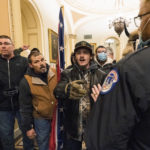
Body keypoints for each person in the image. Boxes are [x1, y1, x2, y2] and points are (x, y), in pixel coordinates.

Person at [86, 0, 150, 149]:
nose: (140, 26)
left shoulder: (129, 67)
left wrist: (107, 105)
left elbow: (106, 139)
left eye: (140, 18)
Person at [54, 41, 105, 150]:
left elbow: (110, 100)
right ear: (75, 56)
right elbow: (57, 91)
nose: (82, 55)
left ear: (91, 56)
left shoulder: (101, 75)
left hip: (94, 125)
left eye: (85, 53)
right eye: (79, 53)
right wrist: (67, 89)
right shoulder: (67, 73)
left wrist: (102, 99)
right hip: (74, 126)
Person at [0, 35, 34, 150]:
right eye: (0, 44)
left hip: (22, 105)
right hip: (3, 107)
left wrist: (19, 90)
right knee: (6, 136)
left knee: (27, 134)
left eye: (6, 43)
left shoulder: (23, 61)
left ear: (12, 46)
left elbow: (30, 81)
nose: (3, 46)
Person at [19, 51, 57, 150]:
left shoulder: (55, 72)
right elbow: (25, 107)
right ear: (30, 65)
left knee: (58, 141)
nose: (41, 64)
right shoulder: (26, 81)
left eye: (42, 60)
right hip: (41, 118)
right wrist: (28, 127)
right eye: (36, 62)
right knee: (43, 142)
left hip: (57, 115)